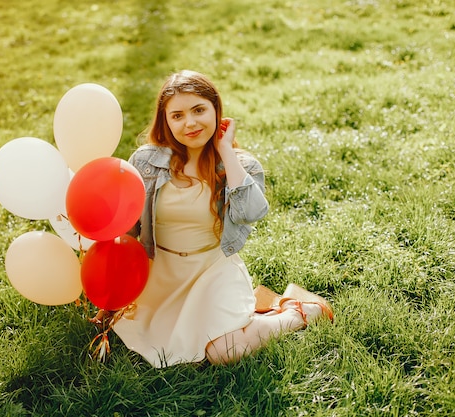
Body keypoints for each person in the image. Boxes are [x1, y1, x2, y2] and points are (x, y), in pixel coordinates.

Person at [107, 70, 333, 367]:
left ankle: (296, 312)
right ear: (166, 121)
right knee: (135, 334)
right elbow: (130, 229)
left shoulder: (241, 165)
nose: (189, 122)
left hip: (212, 271)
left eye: (199, 110)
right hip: (160, 272)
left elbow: (252, 212)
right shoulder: (146, 161)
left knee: (225, 352)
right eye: (177, 115)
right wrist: (114, 286)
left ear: (216, 110)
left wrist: (225, 151)